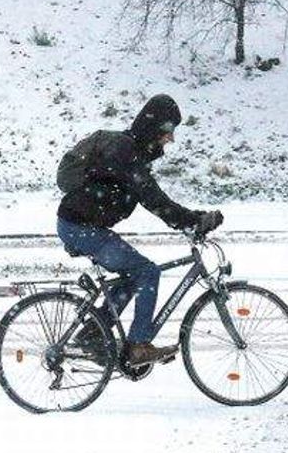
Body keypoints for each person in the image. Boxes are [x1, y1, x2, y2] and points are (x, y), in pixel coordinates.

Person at [56, 94, 223, 365]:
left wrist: (190, 220)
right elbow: (153, 199)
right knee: (148, 272)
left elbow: (151, 196)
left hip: (82, 225)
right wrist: (193, 220)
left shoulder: (131, 153)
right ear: (153, 127)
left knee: (134, 275)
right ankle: (138, 346)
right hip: (79, 227)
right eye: (168, 131)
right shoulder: (125, 152)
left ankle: (92, 333)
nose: (170, 139)